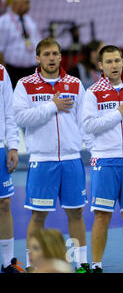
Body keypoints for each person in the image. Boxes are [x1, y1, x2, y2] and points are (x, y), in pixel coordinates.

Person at [13, 37, 91, 274]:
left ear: (60, 56)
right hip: (42, 160)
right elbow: (20, 118)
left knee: (76, 213)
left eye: (55, 54)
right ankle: (30, 264)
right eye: (46, 54)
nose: (51, 58)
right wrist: (51, 106)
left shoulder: (76, 84)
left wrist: (92, 150)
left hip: (70, 159)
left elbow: (84, 122)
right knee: (38, 216)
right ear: (38, 58)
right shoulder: (25, 85)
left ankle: (82, 263)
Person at [82, 45, 123, 273]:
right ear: (100, 66)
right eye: (109, 62)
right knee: (102, 217)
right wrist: (118, 113)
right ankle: (96, 265)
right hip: (106, 162)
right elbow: (88, 126)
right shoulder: (93, 92)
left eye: (117, 60)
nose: (114, 65)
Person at [0, 65, 21, 273]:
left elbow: (9, 112)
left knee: (4, 204)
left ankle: (7, 263)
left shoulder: (0, 71)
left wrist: (13, 145)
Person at [0, 0, 40, 89]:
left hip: (31, 70)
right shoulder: (4, 22)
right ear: (15, 4)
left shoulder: (29, 20)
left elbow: (37, 42)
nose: (28, 5)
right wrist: (4, 74)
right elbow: (0, 49)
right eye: (26, 2)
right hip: (13, 71)